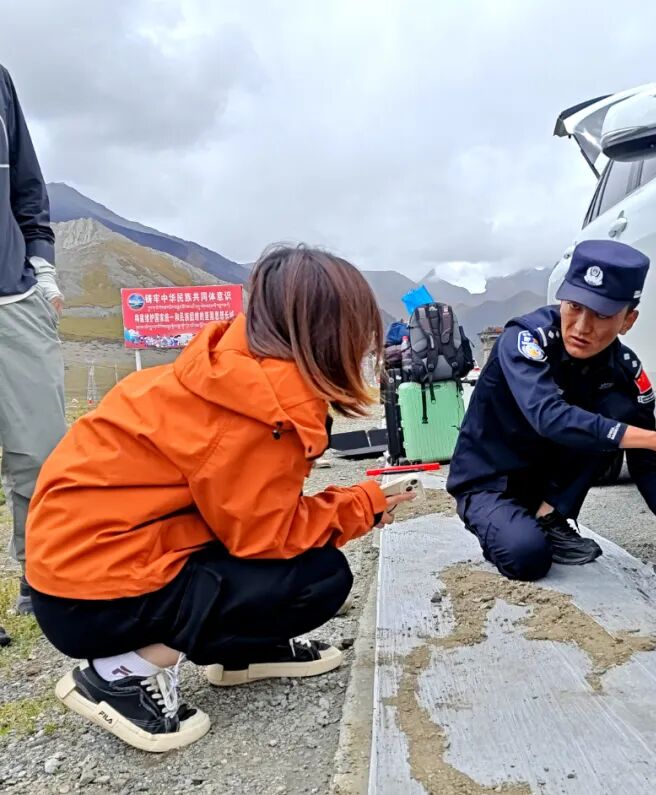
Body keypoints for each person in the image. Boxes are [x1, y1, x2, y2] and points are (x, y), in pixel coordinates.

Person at [24, 246, 415, 752]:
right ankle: (117, 675)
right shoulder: (262, 412)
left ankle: (243, 656)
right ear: (330, 332)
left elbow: (241, 513)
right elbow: (266, 538)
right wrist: (363, 504)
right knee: (318, 577)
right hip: (97, 601)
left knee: (278, 562)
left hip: (69, 581)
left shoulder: (219, 375)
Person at [447, 240, 656, 582]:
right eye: (574, 306)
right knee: (527, 557)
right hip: (490, 481)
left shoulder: (624, 373)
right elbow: (549, 417)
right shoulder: (525, 340)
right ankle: (509, 523)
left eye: (602, 315)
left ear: (628, 320)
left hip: (540, 482)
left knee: (616, 413)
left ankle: (548, 515)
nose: (580, 327)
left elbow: (647, 464)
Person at [0, 63, 66, 648]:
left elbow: (26, 180)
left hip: (13, 297)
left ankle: (40, 576)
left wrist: (41, 267)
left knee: (42, 452)